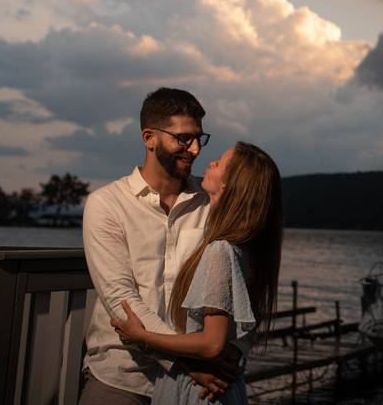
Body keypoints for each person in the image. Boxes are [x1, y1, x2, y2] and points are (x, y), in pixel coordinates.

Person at [80, 88, 241, 405]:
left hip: (201, 382)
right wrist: (186, 362)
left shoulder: (212, 204)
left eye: (198, 138)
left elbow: (239, 284)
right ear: (149, 138)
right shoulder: (106, 204)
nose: (194, 149)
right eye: (183, 138)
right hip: (124, 375)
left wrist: (233, 351)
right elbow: (121, 298)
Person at [111, 142, 284, 405]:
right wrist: (235, 351)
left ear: (228, 185)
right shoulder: (245, 248)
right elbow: (240, 327)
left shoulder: (220, 251)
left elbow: (211, 344)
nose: (211, 162)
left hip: (196, 390)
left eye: (220, 163)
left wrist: (142, 337)